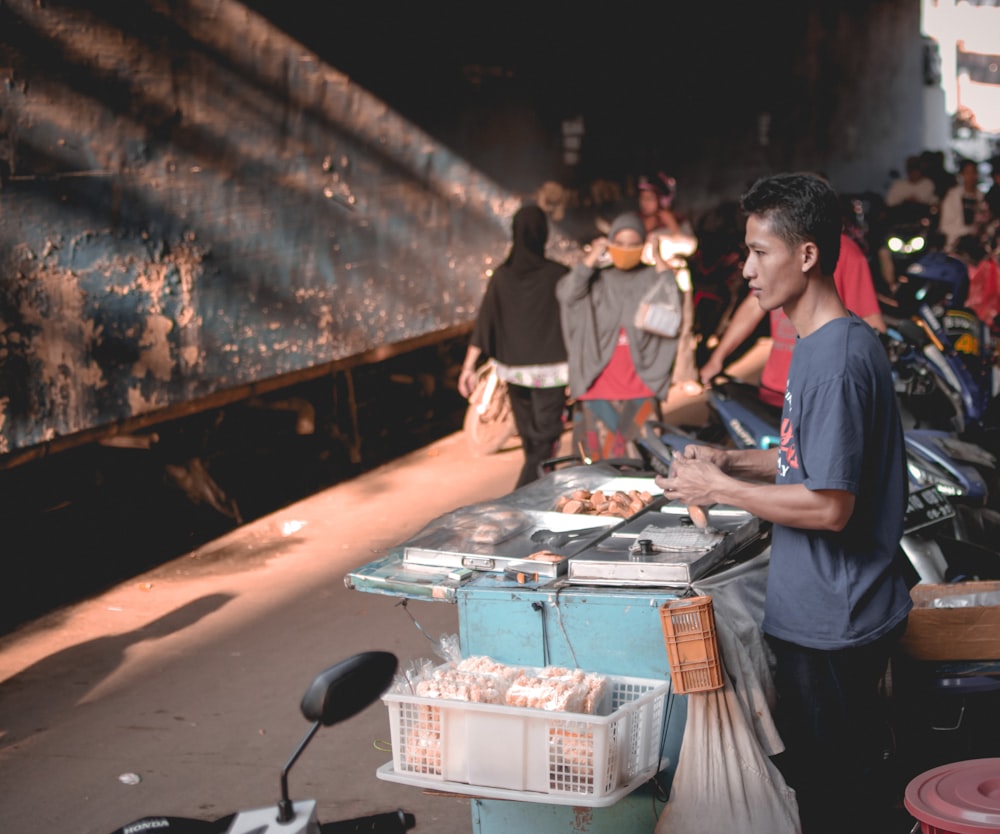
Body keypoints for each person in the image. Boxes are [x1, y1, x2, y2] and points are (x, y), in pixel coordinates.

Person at [658, 173, 912, 834]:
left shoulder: (834, 360)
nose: (746, 269)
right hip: (825, 612)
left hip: (837, 621)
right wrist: (729, 459)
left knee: (838, 806)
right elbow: (810, 460)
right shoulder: (818, 343)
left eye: (759, 252)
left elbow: (831, 505)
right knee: (831, 789)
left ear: (805, 255)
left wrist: (716, 490)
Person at [699, 226, 886, 407]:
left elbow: (870, 321)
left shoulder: (845, 253)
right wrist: (717, 358)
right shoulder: (777, 247)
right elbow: (753, 306)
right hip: (774, 388)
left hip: (823, 392)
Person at [458, 204, 569, 488]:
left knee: (532, 443)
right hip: (551, 374)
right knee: (544, 441)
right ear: (543, 234)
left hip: (514, 374)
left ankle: (538, 492)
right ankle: (525, 493)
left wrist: (468, 367)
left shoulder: (502, 277)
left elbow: (485, 323)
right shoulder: (559, 275)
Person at [556, 211, 682, 461]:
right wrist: (592, 256)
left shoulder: (651, 278)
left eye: (633, 244)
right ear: (610, 242)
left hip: (641, 387)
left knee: (647, 468)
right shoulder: (597, 279)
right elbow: (567, 295)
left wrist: (658, 258)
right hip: (598, 389)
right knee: (597, 473)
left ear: (643, 244)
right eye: (619, 243)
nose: (626, 249)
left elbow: (673, 305)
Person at [938, 158, 986, 248]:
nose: (971, 176)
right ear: (962, 174)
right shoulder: (952, 196)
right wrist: (967, 231)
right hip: (955, 245)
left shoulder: (982, 197)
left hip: (978, 246)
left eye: (973, 172)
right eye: (968, 173)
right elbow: (945, 226)